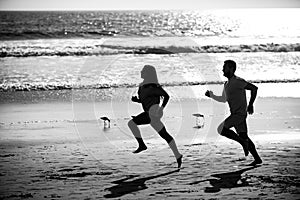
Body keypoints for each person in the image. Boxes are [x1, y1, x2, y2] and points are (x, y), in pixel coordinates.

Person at [205, 60, 262, 166]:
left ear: (231, 69)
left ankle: (242, 142)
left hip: (239, 114)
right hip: (235, 114)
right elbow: (223, 99)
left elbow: (254, 88)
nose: (222, 69)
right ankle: (257, 159)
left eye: (224, 67)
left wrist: (250, 104)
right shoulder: (226, 84)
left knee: (221, 129)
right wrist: (212, 96)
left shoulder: (238, 81)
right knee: (244, 136)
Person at [128, 65, 183, 168]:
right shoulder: (142, 86)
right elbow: (145, 100)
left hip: (153, 114)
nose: (141, 72)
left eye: (143, 71)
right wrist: (137, 100)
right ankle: (178, 155)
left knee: (131, 123)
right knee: (165, 135)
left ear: (148, 73)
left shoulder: (153, 86)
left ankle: (142, 145)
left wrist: (161, 109)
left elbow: (166, 96)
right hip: (150, 114)